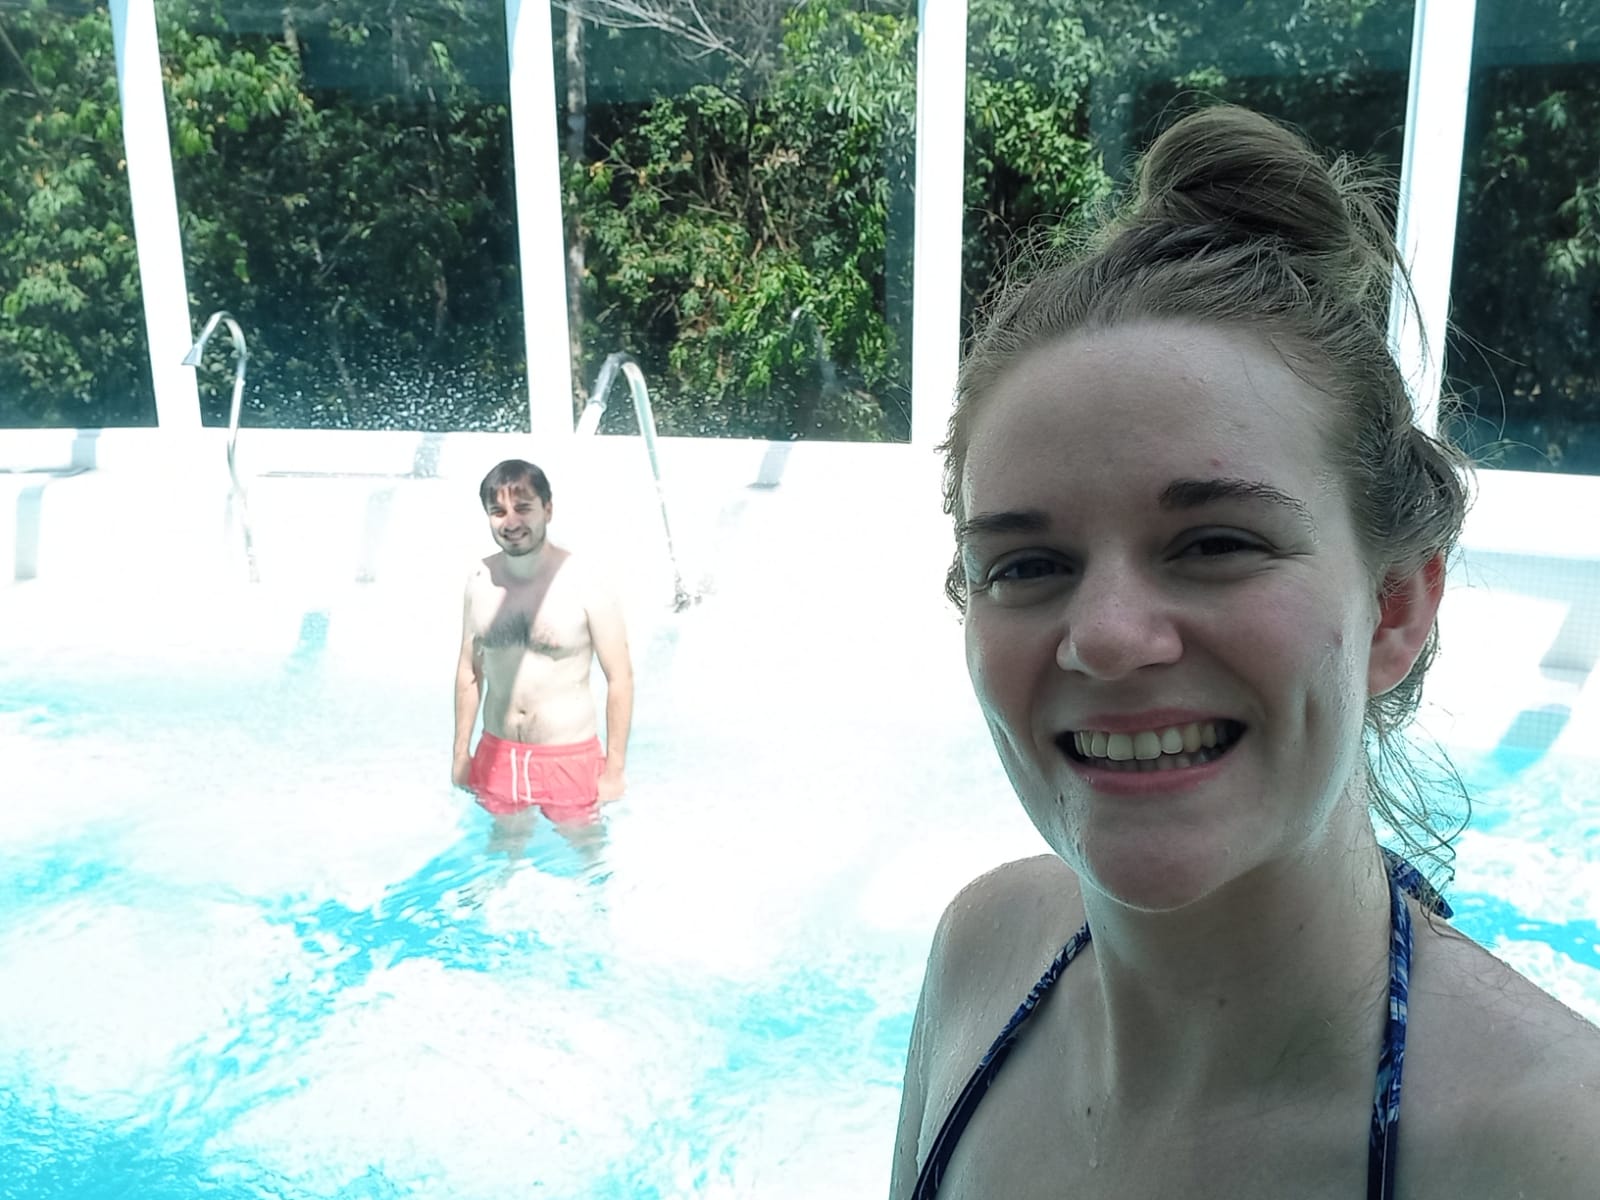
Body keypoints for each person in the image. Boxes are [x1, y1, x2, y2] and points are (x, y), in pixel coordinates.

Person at [890, 106, 1600, 1200]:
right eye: (1026, 565)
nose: (1107, 637)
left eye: (1216, 544)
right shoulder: (981, 960)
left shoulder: (1551, 1149)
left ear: (1396, 608)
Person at [453, 459, 632, 831]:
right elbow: (469, 671)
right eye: (498, 512)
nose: (511, 522)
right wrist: (460, 753)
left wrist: (614, 769)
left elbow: (620, 679)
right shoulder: (480, 580)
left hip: (568, 758)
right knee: (501, 851)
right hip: (497, 754)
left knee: (586, 852)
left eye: (523, 508)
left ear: (547, 509)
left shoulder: (585, 581)